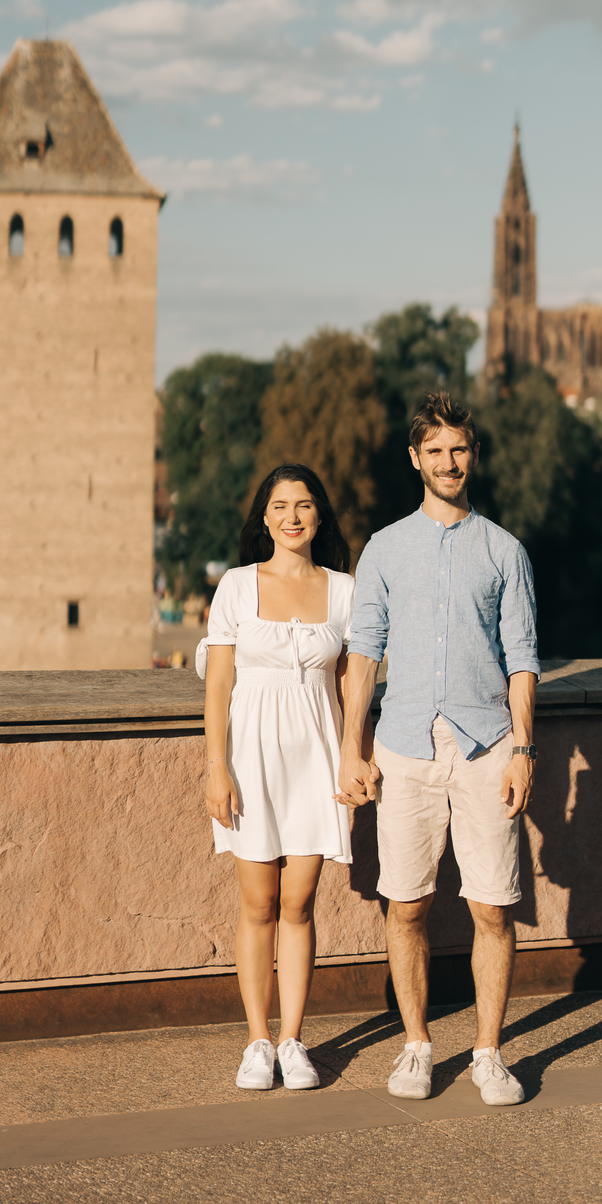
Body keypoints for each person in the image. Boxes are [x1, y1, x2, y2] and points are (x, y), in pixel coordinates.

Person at [336, 391, 539, 1107]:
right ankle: (418, 1045)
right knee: (407, 904)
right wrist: (350, 749)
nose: (449, 462)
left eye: (460, 449)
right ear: (415, 459)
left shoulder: (505, 551)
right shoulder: (386, 548)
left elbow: (522, 659)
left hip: (487, 747)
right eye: (436, 451)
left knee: (492, 907)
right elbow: (363, 656)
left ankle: (488, 1052)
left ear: (473, 455)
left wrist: (524, 751)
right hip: (404, 747)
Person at [201, 464, 355, 1093]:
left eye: (304, 505)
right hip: (251, 760)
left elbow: (352, 682)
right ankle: (257, 1041)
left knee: (298, 903)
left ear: (320, 515)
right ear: (263, 517)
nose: (292, 516)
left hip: (316, 761)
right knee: (258, 903)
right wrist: (217, 767)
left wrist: (354, 755)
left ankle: (293, 1040)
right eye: (280, 505)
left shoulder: (345, 591)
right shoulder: (237, 587)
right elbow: (217, 685)